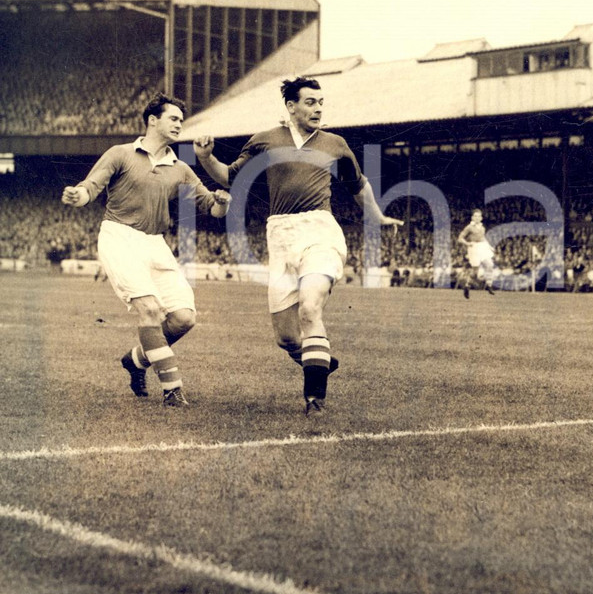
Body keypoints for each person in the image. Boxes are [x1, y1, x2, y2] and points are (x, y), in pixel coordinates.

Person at [193, 76, 403, 416]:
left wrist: (377, 217)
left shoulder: (335, 144)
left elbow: (357, 185)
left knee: (310, 308)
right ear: (291, 107)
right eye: (310, 102)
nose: (318, 108)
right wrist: (204, 158)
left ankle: (314, 399)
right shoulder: (264, 141)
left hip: (320, 230)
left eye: (321, 103)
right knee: (287, 337)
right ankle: (318, 361)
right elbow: (229, 177)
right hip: (279, 234)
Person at [61, 95, 231, 407]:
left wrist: (222, 202)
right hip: (120, 237)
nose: (180, 124)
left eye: (182, 120)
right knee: (151, 310)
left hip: (156, 243)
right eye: (174, 118)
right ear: (152, 120)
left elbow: (211, 208)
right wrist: (79, 196)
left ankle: (136, 361)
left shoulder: (180, 168)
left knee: (183, 318)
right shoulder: (121, 154)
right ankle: (172, 390)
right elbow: (91, 187)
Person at [456, 209, 496, 298]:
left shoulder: (482, 227)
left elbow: (483, 238)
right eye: (475, 216)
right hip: (473, 248)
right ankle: (467, 285)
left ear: (481, 218)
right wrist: (467, 243)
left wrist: (489, 246)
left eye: (479, 216)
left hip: (482, 247)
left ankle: (489, 285)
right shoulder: (469, 227)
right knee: (475, 272)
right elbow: (460, 238)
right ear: (472, 217)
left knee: (489, 264)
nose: (477, 218)